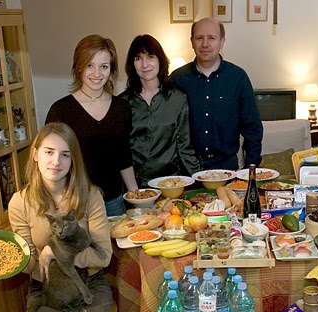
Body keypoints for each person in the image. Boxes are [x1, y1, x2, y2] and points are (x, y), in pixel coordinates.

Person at [8, 122, 113, 312]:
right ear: (35, 154)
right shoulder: (20, 202)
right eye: (49, 152)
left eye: (65, 154)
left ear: (73, 160)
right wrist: (26, 258)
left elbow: (103, 256)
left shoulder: (90, 195)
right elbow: (29, 262)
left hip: (90, 283)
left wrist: (55, 252)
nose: (56, 161)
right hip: (46, 290)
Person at [46, 34, 137, 216]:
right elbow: (49, 160)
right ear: (78, 68)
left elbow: (123, 156)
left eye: (104, 67)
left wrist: (136, 196)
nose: (97, 74)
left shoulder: (122, 107)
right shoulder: (61, 110)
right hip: (74, 202)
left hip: (114, 201)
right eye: (90, 66)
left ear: (111, 70)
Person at [171, 17, 263, 171]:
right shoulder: (177, 79)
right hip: (186, 169)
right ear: (192, 41)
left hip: (227, 169)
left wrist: (250, 170)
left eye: (212, 38)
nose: (205, 44)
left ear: (222, 41)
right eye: (199, 38)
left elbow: (252, 127)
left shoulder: (238, 78)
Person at [120, 34, 200, 187]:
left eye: (150, 56)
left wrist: (199, 182)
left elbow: (185, 147)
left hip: (171, 184)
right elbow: (121, 152)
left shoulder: (178, 98)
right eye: (138, 58)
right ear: (132, 64)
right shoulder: (122, 103)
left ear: (159, 60)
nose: (145, 64)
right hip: (135, 186)